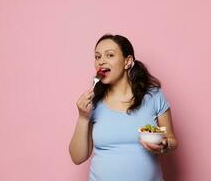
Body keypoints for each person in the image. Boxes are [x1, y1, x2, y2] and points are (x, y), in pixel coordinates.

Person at [69, 34, 178, 181]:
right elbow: (77, 157)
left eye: (110, 55)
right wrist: (82, 117)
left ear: (128, 61)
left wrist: (164, 144)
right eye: (97, 57)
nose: (101, 61)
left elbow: (172, 140)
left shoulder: (153, 96)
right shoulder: (92, 103)